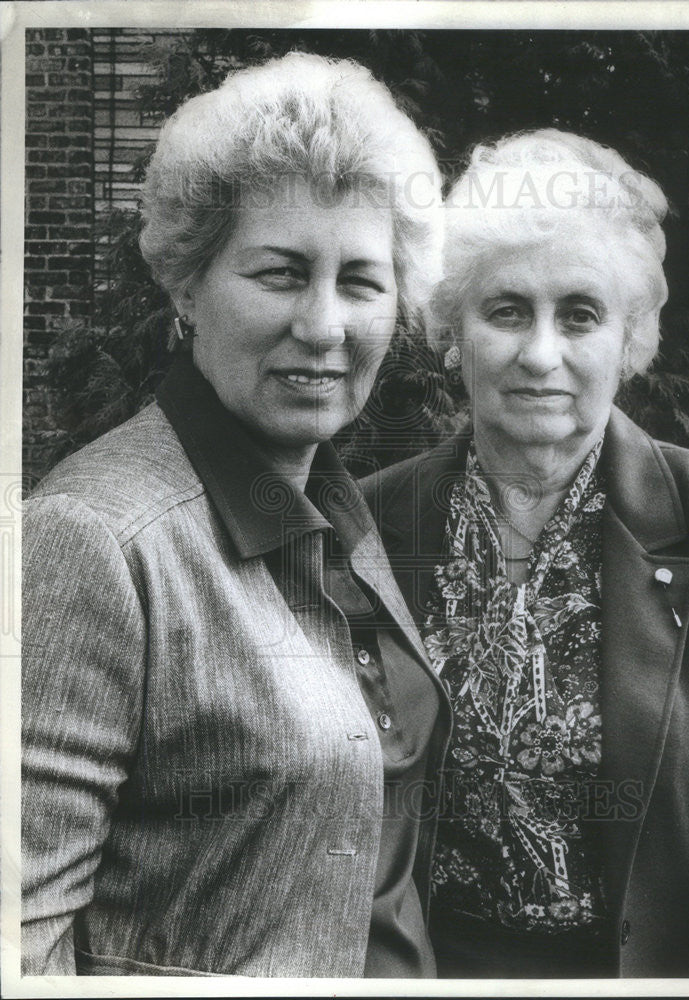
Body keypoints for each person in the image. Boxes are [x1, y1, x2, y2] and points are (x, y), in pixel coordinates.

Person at [21, 52, 452, 978]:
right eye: (281, 272)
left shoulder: (339, 509)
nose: (326, 324)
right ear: (187, 286)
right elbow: (21, 945)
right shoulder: (92, 537)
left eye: (363, 283)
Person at [361, 130, 689, 978]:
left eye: (580, 314)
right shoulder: (374, 522)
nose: (541, 354)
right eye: (507, 310)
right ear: (451, 332)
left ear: (629, 341)